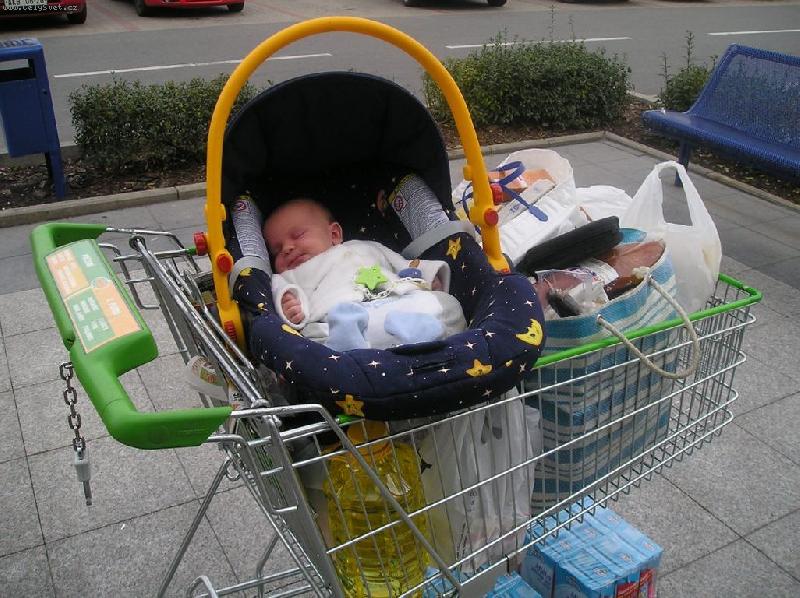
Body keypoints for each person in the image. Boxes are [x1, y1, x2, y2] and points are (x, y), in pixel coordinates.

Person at [263, 197, 466, 351]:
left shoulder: (367, 247)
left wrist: (428, 276)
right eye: (276, 251)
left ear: (334, 234)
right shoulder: (292, 274)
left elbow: (401, 263)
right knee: (310, 337)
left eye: (298, 235)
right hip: (338, 316)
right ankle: (349, 344)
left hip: (396, 302)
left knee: (448, 304)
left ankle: (415, 332)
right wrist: (289, 303)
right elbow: (281, 289)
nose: (287, 248)